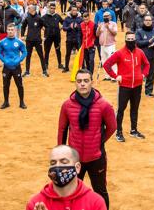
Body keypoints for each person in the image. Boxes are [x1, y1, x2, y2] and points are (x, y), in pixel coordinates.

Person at [57, 69, 116, 208]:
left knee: (100, 191)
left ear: (92, 82)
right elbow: (62, 130)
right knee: (70, 192)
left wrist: (99, 142)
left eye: (85, 81)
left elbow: (112, 127)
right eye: (79, 81)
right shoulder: (67, 105)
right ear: (75, 83)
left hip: (96, 158)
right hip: (74, 159)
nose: (82, 84)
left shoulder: (104, 105)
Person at [102, 31, 150, 142]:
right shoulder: (120, 53)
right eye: (128, 39)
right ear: (125, 40)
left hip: (137, 86)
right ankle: (118, 132)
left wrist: (143, 74)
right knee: (121, 109)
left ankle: (134, 130)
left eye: (132, 39)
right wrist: (115, 76)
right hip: (124, 86)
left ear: (135, 40)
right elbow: (107, 64)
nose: (130, 41)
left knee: (135, 108)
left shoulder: (140, 52)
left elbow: (147, 64)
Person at [26, 145, 107, 210]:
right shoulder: (35, 204)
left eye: (64, 162)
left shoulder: (96, 204)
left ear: (77, 167)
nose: (57, 166)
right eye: (53, 163)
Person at [0, 23, 28, 109]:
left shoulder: (19, 42)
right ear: (6, 30)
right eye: (9, 30)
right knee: (5, 85)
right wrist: (4, 60)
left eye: (12, 30)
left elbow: (25, 52)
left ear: (15, 31)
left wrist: (19, 60)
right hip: (6, 67)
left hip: (16, 67)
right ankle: (6, 102)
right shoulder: (2, 42)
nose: (10, 31)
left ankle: (22, 102)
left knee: (19, 85)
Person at [135, 14, 154, 97]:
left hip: (152, 57)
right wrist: (148, 42)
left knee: (151, 75)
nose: (148, 22)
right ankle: (137, 92)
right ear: (143, 21)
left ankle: (148, 92)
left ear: (152, 22)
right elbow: (138, 43)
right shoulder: (139, 31)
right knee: (139, 76)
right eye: (146, 20)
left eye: (150, 20)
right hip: (141, 58)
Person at [21, 5, 48, 77]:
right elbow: (23, 26)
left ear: (33, 9)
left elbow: (46, 26)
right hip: (29, 40)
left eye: (29, 8)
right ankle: (27, 71)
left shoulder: (39, 18)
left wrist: (45, 36)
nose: (28, 9)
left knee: (41, 56)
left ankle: (44, 71)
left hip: (37, 40)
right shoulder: (27, 17)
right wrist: (22, 35)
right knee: (28, 56)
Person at [96, 11, 118, 81]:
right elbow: (97, 34)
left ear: (110, 17)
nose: (106, 17)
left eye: (107, 16)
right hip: (102, 45)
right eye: (104, 16)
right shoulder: (101, 24)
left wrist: (108, 27)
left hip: (110, 45)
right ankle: (107, 76)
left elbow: (115, 33)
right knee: (104, 61)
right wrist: (99, 28)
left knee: (112, 60)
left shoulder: (113, 24)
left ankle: (114, 76)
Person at [43, 2, 64, 70]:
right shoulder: (44, 17)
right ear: (49, 8)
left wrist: (60, 29)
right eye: (51, 8)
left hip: (57, 36)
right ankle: (46, 64)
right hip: (48, 36)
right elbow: (40, 24)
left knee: (58, 50)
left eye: (54, 8)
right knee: (47, 51)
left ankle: (60, 64)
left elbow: (64, 23)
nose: (52, 10)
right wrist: (44, 30)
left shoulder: (57, 16)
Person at [62, 6, 82, 72]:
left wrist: (77, 27)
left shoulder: (80, 19)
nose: (74, 11)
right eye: (73, 10)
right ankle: (66, 67)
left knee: (80, 54)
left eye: (75, 10)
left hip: (77, 39)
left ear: (77, 11)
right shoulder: (67, 19)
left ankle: (83, 67)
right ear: (70, 11)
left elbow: (82, 28)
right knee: (68, 54)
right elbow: (64, 28)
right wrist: (69, 27)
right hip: (69, 39)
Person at [80, 12, 96, 77]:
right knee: (86, 60)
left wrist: (95, 43)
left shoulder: (93, 24)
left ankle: (91, 74)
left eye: (87, 16)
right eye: (84, 17)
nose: (86, 18)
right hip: (84, 46)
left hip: (91, 46)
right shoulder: (81, 25)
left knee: (91, 60)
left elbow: (96, 35)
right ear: (83, 18)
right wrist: (80, 45)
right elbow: (80, 36)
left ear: (89, 17)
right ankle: (88, 73)